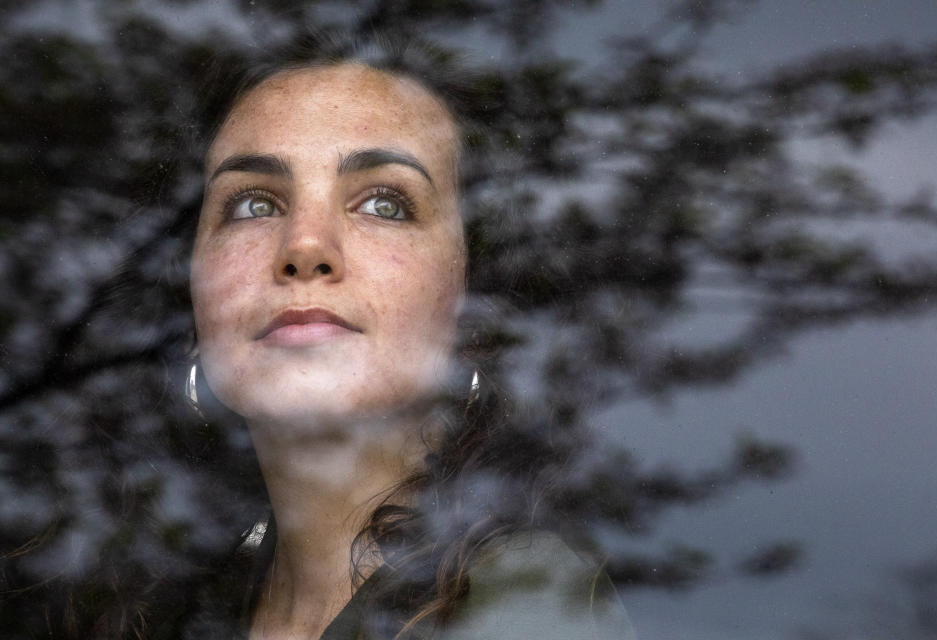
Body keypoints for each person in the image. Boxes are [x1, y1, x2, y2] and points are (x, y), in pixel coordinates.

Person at [14, 31, 637, 640]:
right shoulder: (149, 606)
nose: (305, 247)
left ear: (468, 302)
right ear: (192, 304)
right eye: (254, 204)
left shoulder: (526, 596)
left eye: (384, 204)